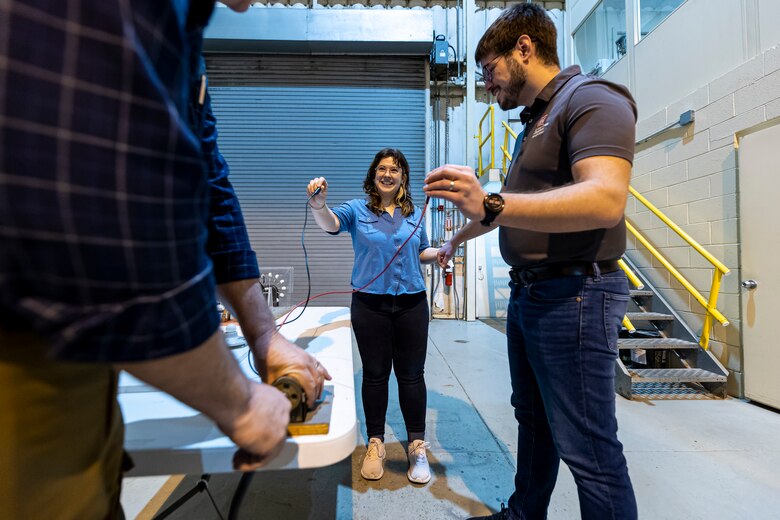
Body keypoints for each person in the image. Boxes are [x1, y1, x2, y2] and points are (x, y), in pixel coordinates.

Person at [0, 1, 328, 518]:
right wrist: (239, 403)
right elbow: (89, 210)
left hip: (72, 357)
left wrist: (264, 334)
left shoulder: (178, 30)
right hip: (25, 352)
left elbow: (209, 178)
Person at [424, 4, 639, 520]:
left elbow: (606, 198)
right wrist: (458, 240)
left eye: (489, 70)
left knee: (587, 448)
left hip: (577, 295)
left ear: (524, 48)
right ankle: (524, 513)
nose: (486, 85)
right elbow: (509, 208)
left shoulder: (591, 99)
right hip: (535, 297)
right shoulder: (535, 121)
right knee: (534, 420)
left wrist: (494, 204)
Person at [306, 149, 439, 484]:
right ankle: (376, 443)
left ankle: (416, 445)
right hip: (369, 306)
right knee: (376, 375)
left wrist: (440, 253)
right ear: (373, 175)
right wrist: (319, 206)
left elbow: (421, 249)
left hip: (411, 304)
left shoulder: (415, 213)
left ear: (403, 177)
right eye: (382, 168)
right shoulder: (356, 208)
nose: (388, 174)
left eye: (395, 169)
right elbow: (331, 224)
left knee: (411, 375)